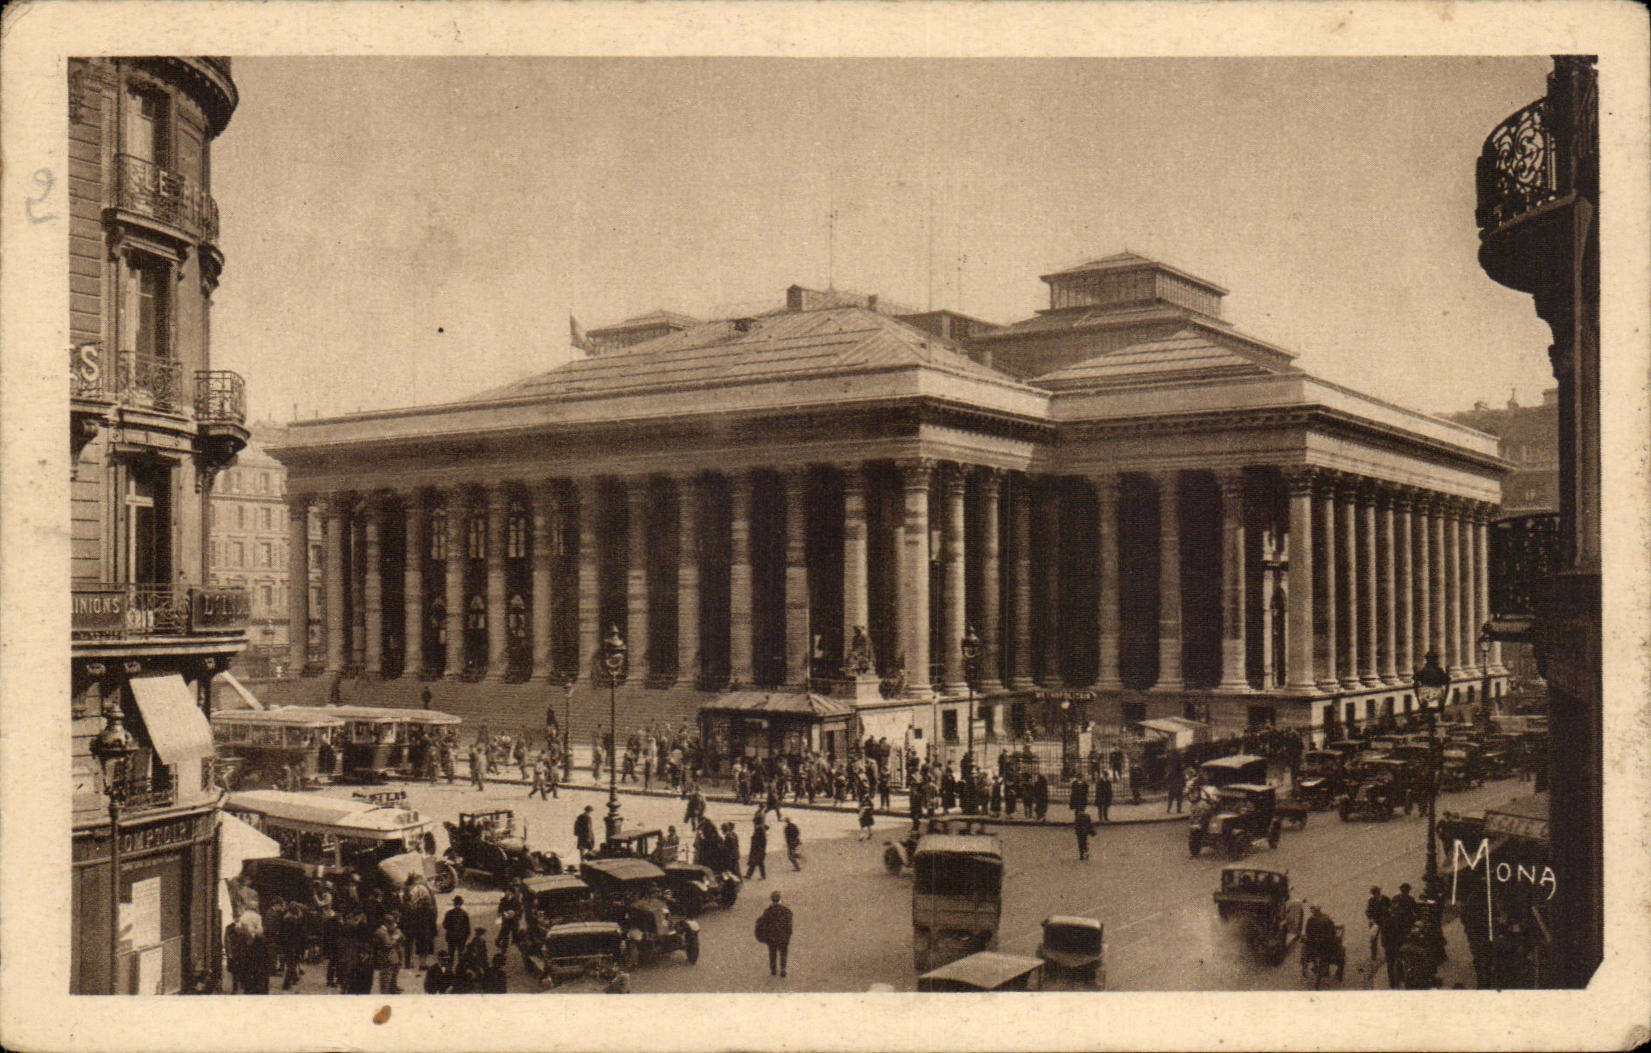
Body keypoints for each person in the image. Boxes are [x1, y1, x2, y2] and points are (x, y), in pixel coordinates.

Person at [754, 890, 794, 979]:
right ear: (780, 899)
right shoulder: (786, 910)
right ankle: (783, 969)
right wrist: (789, 934)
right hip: (783, 935)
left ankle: (773, 969)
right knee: (783, 952)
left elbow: (763, 923)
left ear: (771, 900)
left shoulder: (768, 911)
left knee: (772, 952)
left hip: (771, 936)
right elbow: (789, 924)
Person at [1301, 904, 1344, 982]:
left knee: (1304, 946)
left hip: (1313, 947)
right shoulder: (1326, 919)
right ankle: (1336, 971)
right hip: (1326, 947)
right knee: (1340, 947)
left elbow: (1307, 933)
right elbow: (1333, 932)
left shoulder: (1310, 920)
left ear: (1312, 911)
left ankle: (1307, 966)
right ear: (1319, 910)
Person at [372, 910, 405, 995]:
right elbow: (388, 945)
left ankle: (392, 989)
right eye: (391, 924)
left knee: (390, 976)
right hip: (385, 958)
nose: (393, 925)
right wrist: (395, 939)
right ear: (386, 924)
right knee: (385, 979)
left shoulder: (385, 931)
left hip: (391, 958)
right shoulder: (381, 932)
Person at [1364, 886, 1390, 961]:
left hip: (1385, 921)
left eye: (1377, 892)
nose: (1376, 894)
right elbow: (1368, 911)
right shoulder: (1371, 900)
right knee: (1373, 939)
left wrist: (1388, 914)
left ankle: (1387, 955)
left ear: (1379, 892)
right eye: (1374, 893)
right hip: (1375, 922)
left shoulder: (1386, 899)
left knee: (1385, 938)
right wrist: (1370, 918)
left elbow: (1391, 908)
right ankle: (1373, 955)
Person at [443, 895, 472, 960]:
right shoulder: (464, 913)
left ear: (454, 903)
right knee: (461, 955)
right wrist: (466, 936)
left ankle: (449, 969)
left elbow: (444, 925)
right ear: (461, 903)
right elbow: (468, 928)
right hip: (461, 937)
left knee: (450, 954)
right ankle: (460, 969)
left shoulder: (449, 913)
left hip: (451, 937)